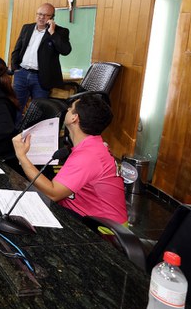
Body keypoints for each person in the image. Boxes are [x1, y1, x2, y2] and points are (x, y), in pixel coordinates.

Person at [13, 94, 128, 224]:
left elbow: (53, 193)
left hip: (101, 228)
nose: (67, 110)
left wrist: (22, 156)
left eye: (71, 108)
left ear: (74, 118)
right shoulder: (93, 145)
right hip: (83, 213)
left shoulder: (88, 156)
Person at [10, 3, 72, 114]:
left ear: (52, 18)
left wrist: (52, 33)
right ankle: (15, 126)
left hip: (41, 78)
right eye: (39, 14)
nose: (41, 17)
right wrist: (15, 68)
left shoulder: (60, 32)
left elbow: (65, 51)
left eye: (46, 15)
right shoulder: (27, 28)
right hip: (21, 73)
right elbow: (17, 49)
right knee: (15, 108)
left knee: (38, 111)